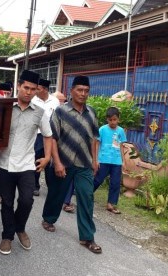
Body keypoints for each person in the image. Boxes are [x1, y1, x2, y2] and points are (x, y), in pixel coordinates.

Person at [41, 75, 102, 254]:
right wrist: (57, 163)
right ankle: (48, 218)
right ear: (72, 91)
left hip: (84, 164)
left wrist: (94, 160)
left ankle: (87, 237)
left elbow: (94, 139)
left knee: (86, 198)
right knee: (57, 194)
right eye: (79, 90)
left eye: (86, 91)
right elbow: (52, 138)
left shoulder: (92, 113)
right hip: (64, 162)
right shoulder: (60, 112)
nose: (83, 94)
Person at [0, 70, 52, 255]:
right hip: (3, 164)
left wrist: (47, 157)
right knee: (7, 203)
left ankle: (20, 228)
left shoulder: (39, 113)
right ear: (18, 86)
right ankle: (7, 236)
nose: (28, 92)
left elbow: (48, 136)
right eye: (26, 87)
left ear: (37, 91)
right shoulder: (5, 107)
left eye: (33, 89)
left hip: (27, 164)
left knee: (27, 200)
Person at [93, 107, 127, 214]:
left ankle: (111, 204)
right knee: (98, 179)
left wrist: (123, 161)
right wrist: (96, 159)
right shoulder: (102, 129)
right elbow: (97, 144)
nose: (113, 122)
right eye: (110, 120)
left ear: (118, 119)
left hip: (116, 162)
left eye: (115, 119)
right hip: (103, 160)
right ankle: (86, 194)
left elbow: (121, 146)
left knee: (115, 183)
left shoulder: (121, 131)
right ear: (107, 120)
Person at [31, 78, 59, 196]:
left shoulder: (55, 101)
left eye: (38, 88)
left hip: (51, 136)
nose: (35, 91)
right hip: (37, 134)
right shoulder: (33, 100)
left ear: (45, 89)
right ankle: (35, 185)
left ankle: (51, 186)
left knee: (50, 160)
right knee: (37, 158)